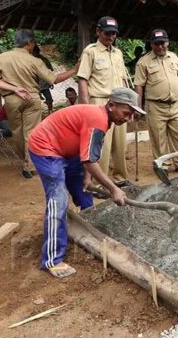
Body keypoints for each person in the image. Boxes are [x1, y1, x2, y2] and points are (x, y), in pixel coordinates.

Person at [28, 87, 144, 278]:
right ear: (111, 105)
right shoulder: (97, 119)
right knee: (58, 201)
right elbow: (89, 161)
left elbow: (90, 153)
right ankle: (52, 260)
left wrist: (87, 177)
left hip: (69, 151)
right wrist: (113, 189)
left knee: (84, 193)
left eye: (131, 115)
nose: (128, 119)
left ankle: (89, 235)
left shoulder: (105, 119)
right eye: (126, 113)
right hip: (46, 149)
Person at [0, 29, 76, 178]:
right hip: (32, 98)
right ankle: (30, 164)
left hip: (12, 98)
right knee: (32, 133)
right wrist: (74, 70)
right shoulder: (35, 60)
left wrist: (13, 89)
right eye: (34, 43)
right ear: (29, 43)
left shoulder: (1, 58)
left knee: (17, 132)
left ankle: (25, 159)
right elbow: (54, 79)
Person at [76, 16, 131, 186]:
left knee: (120, 144)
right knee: (102, 146)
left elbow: (123, 81)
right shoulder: (90, 51)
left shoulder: (118, 53)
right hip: (99, 102)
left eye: (113, 33)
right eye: (107, 33)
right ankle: (101, 182)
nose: (111, 37)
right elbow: (82, 79)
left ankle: (121, 178)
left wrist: (130, 106)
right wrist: (86, 107)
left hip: (119, 103)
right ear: (98, 31)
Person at [134, 29, 178, 173]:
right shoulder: (143, 62)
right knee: (158, 138)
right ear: (151, 44)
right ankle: (163, 165)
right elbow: (139, 85)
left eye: (162, 43)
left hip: (175, 104)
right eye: (156, 44)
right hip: (155, 106)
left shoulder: (174, 58)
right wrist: (137, 106)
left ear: (168, 42)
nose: (160, 47)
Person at [33, 45, 55, 114]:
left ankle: (50, 111)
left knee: (49, 99)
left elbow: (50, 71)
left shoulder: (44, 60)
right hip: (34, 85)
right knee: (34, 102)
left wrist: (50, 82)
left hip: (44, 84)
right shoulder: (29, 60)